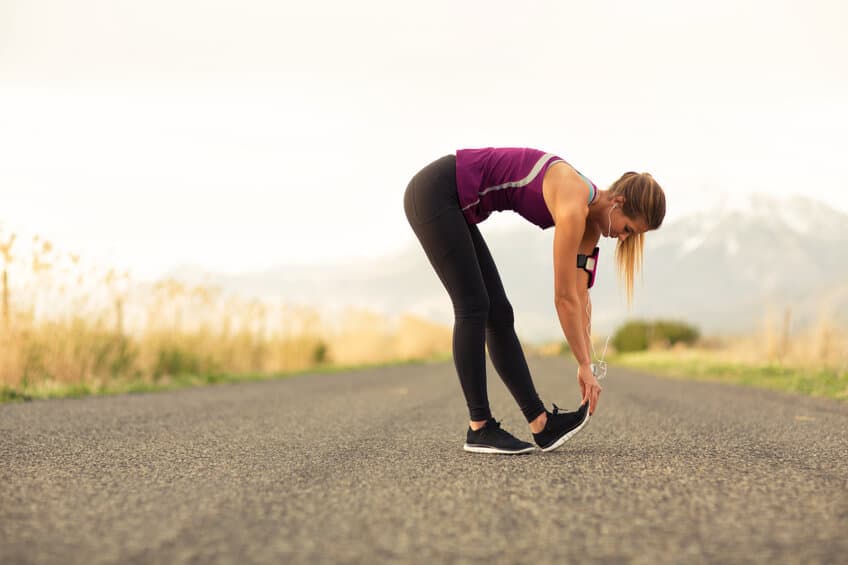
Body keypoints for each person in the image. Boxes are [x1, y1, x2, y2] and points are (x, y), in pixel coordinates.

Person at [403, 147, 665, 454]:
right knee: (473, 306)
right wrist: (582, 364)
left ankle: (541, 424)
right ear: (618, 202)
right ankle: (480, 427)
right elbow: (564, 297)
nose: (622, 238)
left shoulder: (591, 222)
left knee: (499, 313)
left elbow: (581, 295)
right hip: (434, 192)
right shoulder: (573, 206)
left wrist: (590, 362)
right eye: (627, 230)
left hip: (452, 201)